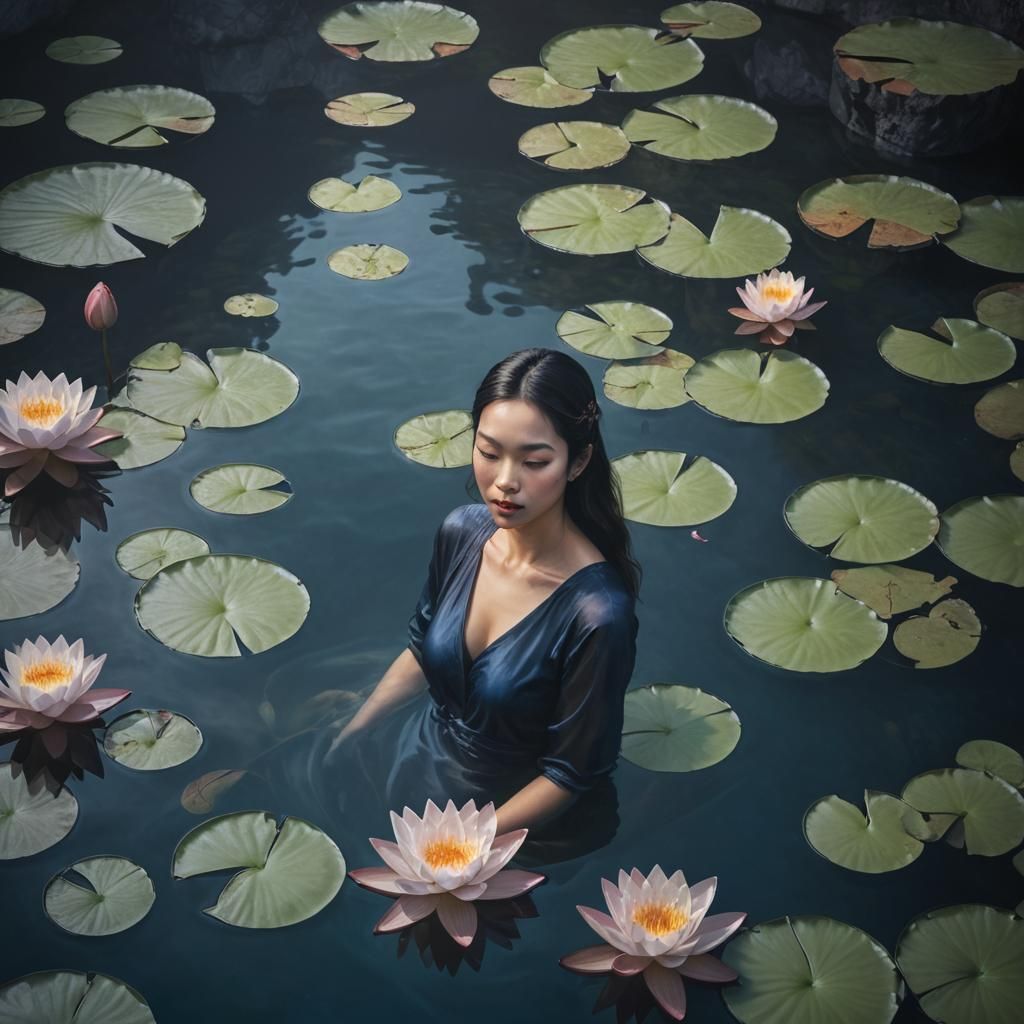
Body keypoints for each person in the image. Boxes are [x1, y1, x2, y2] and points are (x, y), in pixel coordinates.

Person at [326, 348, 641, 841]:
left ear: (578, 462)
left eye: (534, 462)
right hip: (416, 759)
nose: (504, 482)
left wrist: (467, 846)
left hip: (513, 823)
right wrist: (356, 730)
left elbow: (571, 773)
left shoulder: (599, 614)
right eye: (489, 453)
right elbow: (420, 646)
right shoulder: (461, 532)